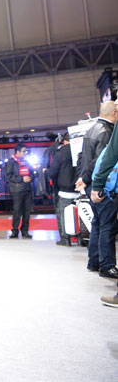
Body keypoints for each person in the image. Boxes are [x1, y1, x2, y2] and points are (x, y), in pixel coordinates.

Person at [76, 100, 118, 278]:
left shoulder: (91, 129)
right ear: (114, 113)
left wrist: (82, 178)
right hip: (101, 184)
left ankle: (94, 261)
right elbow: (102, 161)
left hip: (91, 183)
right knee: (107, 225)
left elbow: (82, 158)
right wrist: (87, 179)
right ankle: (106, 265)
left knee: (98, 223)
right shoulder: (107, 132)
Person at [47, 133, 78, 246]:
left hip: (65, 189)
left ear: (64, 141)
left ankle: (65, 239)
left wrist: (47, 172)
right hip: (80, 188)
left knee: (64, 214)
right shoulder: (81, 150)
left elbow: (53, 172)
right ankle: (82, 238)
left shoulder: (60, 153)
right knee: (79, 214)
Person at [5, 143, 33, 239]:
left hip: (27, 189)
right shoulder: (11, 162)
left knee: (27, 211)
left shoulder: (26, 161)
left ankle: (25, 231)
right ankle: (15, 231)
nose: (25, 153)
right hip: (17, 190)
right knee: (17, 210)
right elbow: (8, 176)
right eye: (24, 151)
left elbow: (32, 172)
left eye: (26, 151)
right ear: (17, 152)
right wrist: (22, 179)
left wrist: (30, 177)